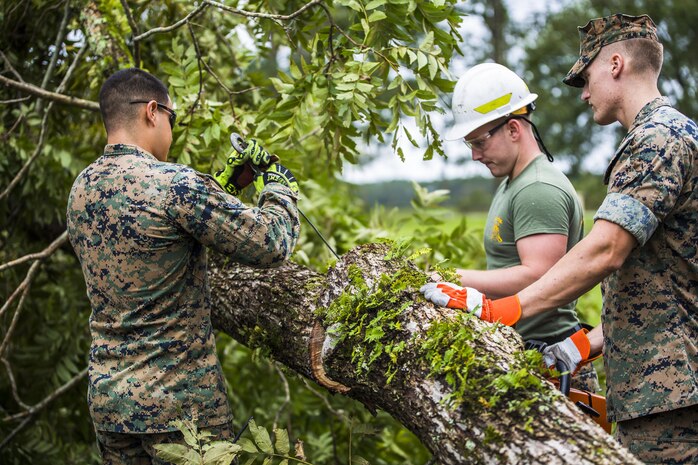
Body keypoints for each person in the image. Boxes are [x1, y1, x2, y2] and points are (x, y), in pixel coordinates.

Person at [422, 14, 698, 463]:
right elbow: (667, 286)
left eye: (586, 78)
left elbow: (607, 250)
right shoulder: (660, 136)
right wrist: (586, 344)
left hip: (669, 393)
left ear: (614, 64)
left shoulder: (657, 138)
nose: (585, 93)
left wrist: (499, 309)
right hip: (657, 389)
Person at [66, 68, 300, 463]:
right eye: (172, 119)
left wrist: (222, 190)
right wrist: (278, 187)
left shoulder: (82, 189)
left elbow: (158, 239)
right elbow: (271, 243)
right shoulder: (175, 184)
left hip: (111, 404)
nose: (171, 132)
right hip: (182, 410)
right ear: (153, 112)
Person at [434, 62, 598, 391]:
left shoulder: (537, 189)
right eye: (471, 145)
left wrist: (455, 281)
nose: (475, 156)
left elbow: (539, 276)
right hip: (526, 353)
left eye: (479, 142)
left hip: (553, 360)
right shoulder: (515, 181)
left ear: (513, 129)